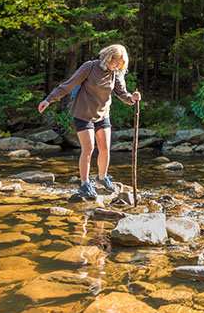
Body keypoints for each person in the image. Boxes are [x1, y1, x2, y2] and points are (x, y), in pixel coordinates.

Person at [37, 44, 141, 200]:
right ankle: (85, 183)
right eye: (115, 62)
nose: (117, 66)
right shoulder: (90, 67)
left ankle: (102, 177)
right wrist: (49, 99)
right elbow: (68, 85)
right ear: (108, 57)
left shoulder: (115, 74)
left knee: (105, 147)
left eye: (120, 64)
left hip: (102, 114)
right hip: (83, 113)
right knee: (89, 148)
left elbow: (122, 93)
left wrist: (132, 99)